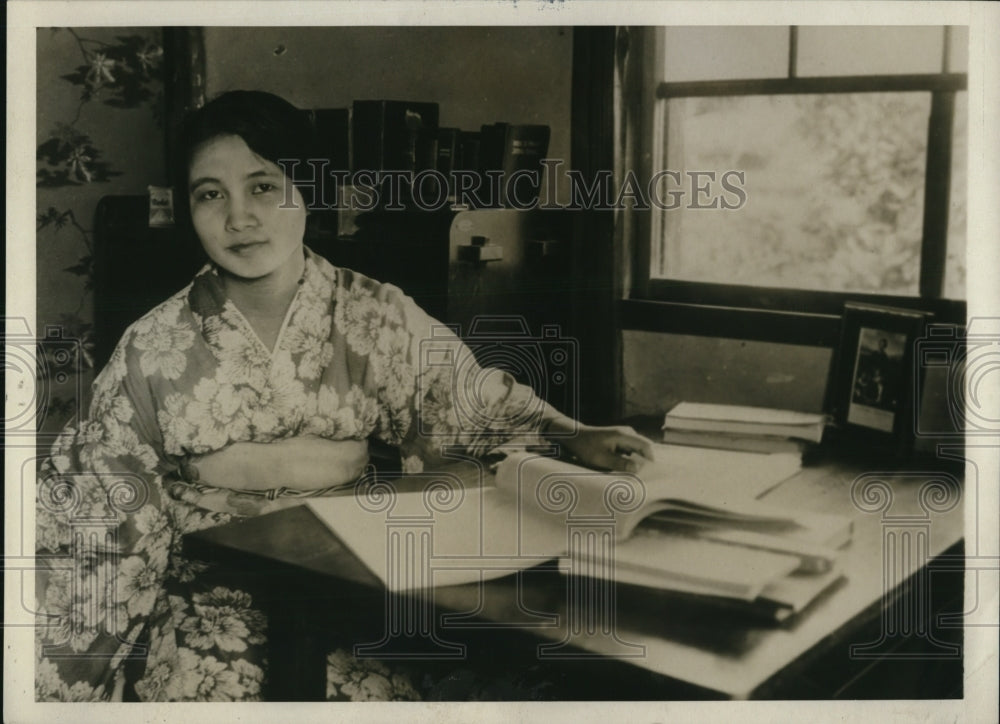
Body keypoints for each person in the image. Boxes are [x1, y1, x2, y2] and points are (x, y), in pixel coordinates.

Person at [34, 90, 654, 702]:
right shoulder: (152, 345)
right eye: (209, 194)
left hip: (352, 581)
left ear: (308, 189)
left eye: (263, 186)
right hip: (209, 592)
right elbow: (99, 508)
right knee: (216, 690)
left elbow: (469, 402)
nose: (239, 217)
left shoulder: (372, 311)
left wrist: (573, 435)